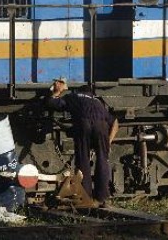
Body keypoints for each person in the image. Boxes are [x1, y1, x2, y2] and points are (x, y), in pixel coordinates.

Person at [46, 78, 119, 206]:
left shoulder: (73, 96)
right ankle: (102, 196)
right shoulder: (98, 102)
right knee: (103, 159)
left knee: (83, 159)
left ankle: (85, 196)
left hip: (83, 125)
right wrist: (109, 141)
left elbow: (52, 103)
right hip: (101, 127)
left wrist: (57, 92)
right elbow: (115, 122)